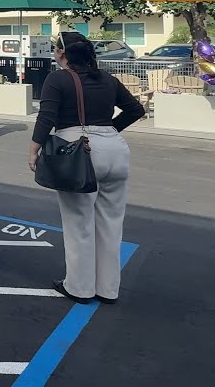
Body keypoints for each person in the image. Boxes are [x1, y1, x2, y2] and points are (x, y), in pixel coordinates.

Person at [31, 40, 144, 304]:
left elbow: (46, 116)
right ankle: (108, 288)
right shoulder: (107, 78)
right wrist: (109, 128)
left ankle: (80, 287)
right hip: (114, 147)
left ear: (62, 54)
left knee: (79, 222)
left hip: (79, 149)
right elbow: (135, 109)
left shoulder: (57, 79)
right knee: (111, 222)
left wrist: (34, 150)